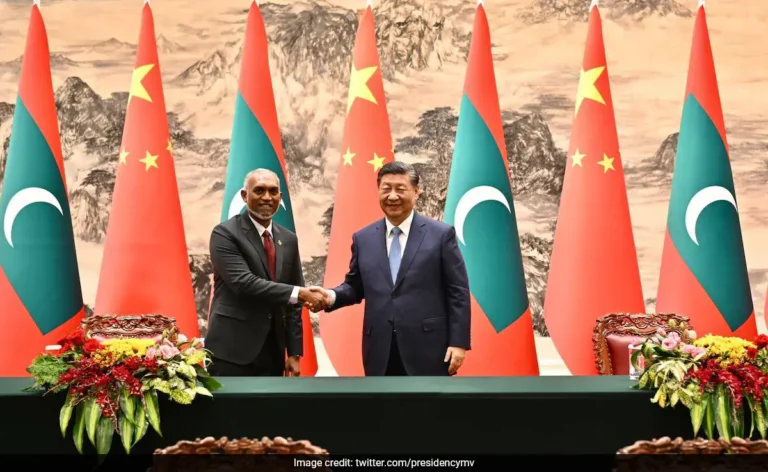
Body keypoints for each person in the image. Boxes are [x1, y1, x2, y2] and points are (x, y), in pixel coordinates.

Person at [312, 161, 471, 376]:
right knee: (383, 409)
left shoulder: (441, 235)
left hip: (430, 349)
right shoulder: (363, 238)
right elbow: (355, 287)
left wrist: (458, 342)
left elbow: (457, 291)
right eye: (386, 189)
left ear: (416, 192)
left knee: (428, 409)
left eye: (400, 189)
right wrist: (330, 296)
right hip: (379, 349)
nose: (393, 196)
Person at [206, 168, 326, 377]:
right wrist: (301, 293)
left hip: (273, 352)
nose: (267, 197)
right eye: (259, 191)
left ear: (280, 197)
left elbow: (293, 305)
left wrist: (294, 353)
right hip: (231, 351)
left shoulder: (288, 239)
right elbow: (243, 283)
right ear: (245, 196)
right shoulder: (224, 233)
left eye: (273, 192)